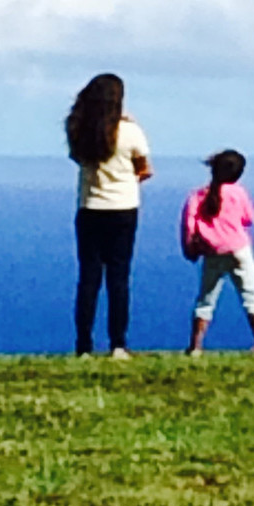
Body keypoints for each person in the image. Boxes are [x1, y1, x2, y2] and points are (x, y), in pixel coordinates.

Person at [66, 73, 153, 358]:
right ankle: (118, 343)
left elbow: (78, 158)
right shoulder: (130, 132)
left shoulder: (79, 131)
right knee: (118, 278)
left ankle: (83, 345)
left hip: (90, 207)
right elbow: (145, 169)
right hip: (123, 209)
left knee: (88, 278)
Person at [180, 149, 254, 355]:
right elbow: (250, 218)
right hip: (239, 249)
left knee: (206, 299)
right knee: (251, 295)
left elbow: (189, 226)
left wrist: (190, 249)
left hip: (212, 252)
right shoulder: (239, 193)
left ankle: (195, 346)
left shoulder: (198, 196)